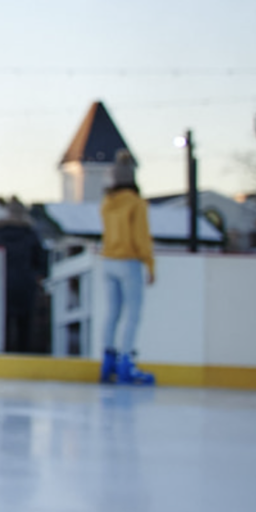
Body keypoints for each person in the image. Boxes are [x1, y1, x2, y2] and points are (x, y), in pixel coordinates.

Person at [99, 151, 156, 386]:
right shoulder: (136, 204)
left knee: (112, 313)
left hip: (108, 260)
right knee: (133, 314)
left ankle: (107, 361)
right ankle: (126, 363)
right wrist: (150, 263)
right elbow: (141, 237)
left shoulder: (107, 204)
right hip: (128, 260)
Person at [0, 198, 49, 354]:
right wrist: (39, 276)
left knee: (1, 323)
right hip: (25, 284)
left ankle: (1, 353)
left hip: (0, 283)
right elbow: (41, 261)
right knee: (24, 325)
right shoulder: (30, 235)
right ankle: (23, 355)